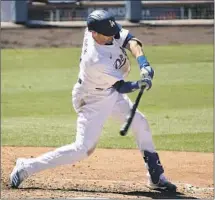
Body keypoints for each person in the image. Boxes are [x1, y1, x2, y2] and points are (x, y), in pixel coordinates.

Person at [10, 10, 177, 192]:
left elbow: (131, 41)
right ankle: (26, 167)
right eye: (107, 35)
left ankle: (156, 176)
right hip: (92, 99)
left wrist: (144, 63)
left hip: (108, 91)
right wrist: (140, 83)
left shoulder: (102, 30)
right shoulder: (95, 60)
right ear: (94, 34)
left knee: (140, 123)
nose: (112, 37)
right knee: (83, 149)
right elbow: (121, 87)